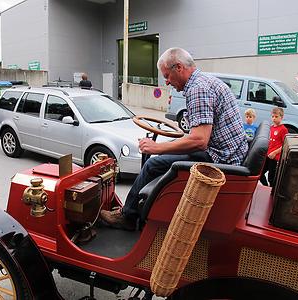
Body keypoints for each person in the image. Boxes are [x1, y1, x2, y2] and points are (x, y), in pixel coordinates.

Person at [100, 47, 249, 230]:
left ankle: (128, 216)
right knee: (165, 152)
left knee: (152, 164)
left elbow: (199, 141)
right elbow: (200, 136)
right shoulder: (206, 81)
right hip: (229, 152)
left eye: (167, 76)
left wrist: (155, 148)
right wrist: (166, 145)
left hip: (220, 158)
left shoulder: (198, 90)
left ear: (178, 67)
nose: (167, 82)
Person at [260, 107, 288, 187]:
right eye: (272, 116)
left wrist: (275, 152)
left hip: (274, 157)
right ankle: (266, 187)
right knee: (260, 174)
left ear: (281, 117)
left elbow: (284, 145)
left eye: (276, 117)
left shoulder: (283, 129)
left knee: (271, 177)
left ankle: (272, 192)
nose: (274, 118)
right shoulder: (271, 127)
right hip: (267, 155)